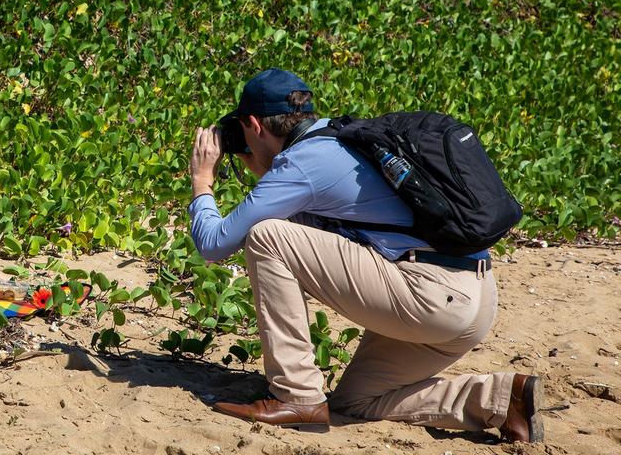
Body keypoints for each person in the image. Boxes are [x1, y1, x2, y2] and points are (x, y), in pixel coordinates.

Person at [187, 68, 542, 442]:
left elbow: (214, 244)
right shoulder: (343, 138)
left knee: (267, 236)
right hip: (474, 298)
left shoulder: (304, 162)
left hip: (429, 296)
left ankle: (297, 396)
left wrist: (201, 180)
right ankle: (502, 400)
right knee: (356, 401)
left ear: (254, 124)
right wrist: (263, 167)